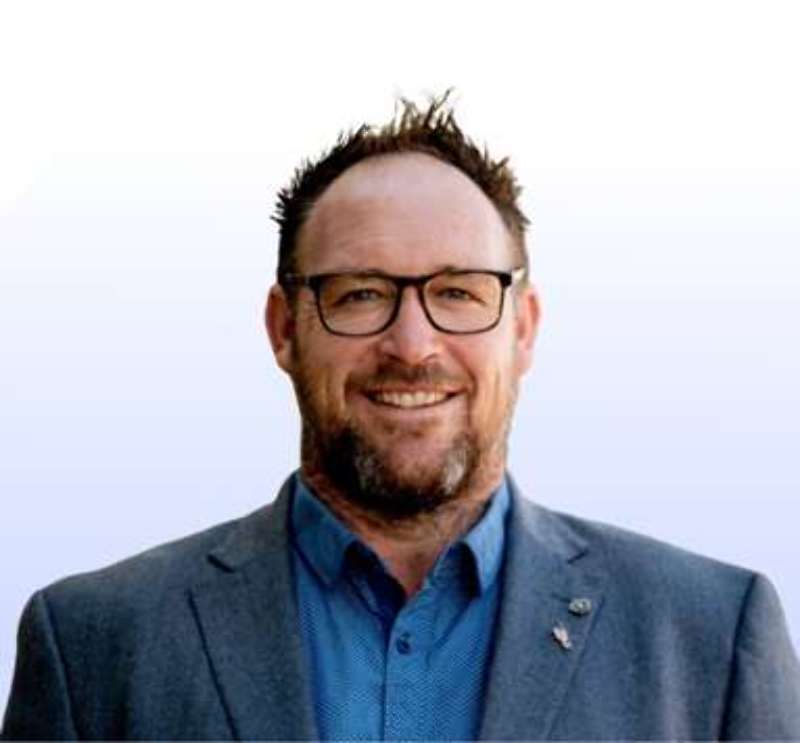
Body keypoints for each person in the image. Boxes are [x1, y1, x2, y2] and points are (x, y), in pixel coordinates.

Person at [3, 93, 799, 741]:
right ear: (284, 329)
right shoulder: (94, 644)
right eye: (360, 294)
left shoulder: (710, 638)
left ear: (522, 328)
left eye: (458, 292)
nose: (412, 345)